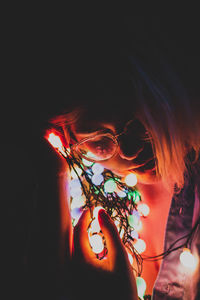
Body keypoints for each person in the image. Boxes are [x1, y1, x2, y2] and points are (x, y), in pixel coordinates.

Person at [42, 27, 200, 299]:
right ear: (67, 140)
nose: (129, 151)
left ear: (164, 100)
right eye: (98, 139)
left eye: (137, 122)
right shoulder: (82, 202)